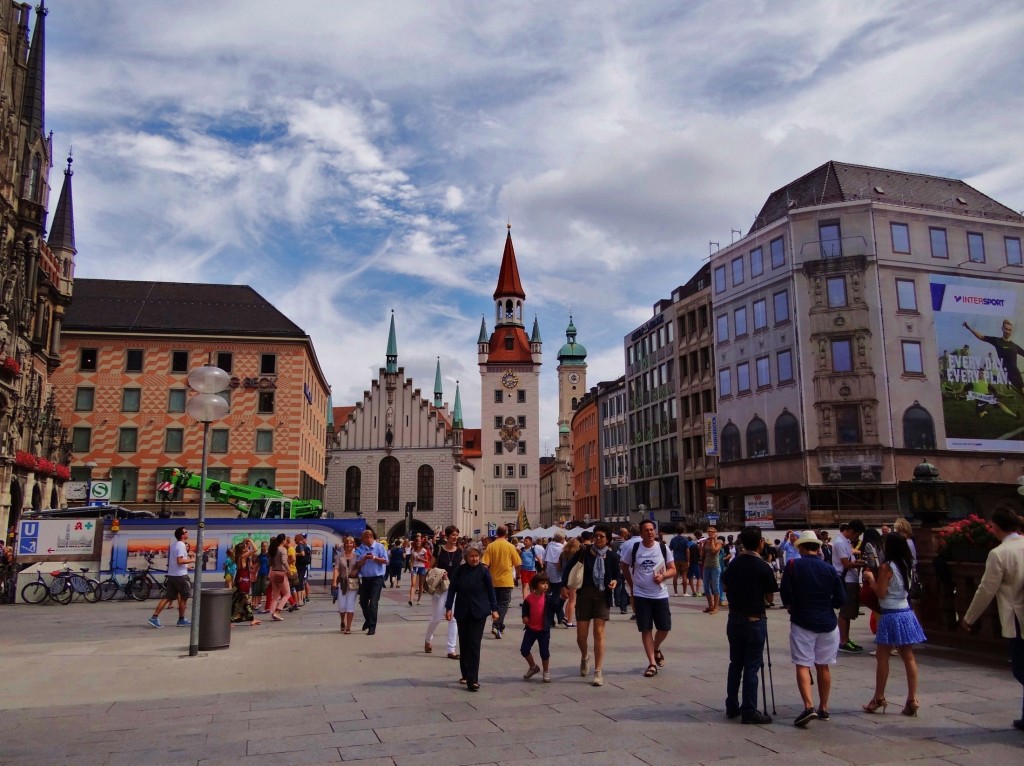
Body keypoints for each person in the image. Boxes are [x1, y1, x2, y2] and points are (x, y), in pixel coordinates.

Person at [961, 508, 1024, 730]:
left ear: (996, 527)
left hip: (1017, 617)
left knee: (1020, 666)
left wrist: (969, 618)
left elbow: (986, 589)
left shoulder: (999, 553)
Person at [779, 531, 845, 727]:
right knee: (823, 666)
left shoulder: (793, 565)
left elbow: (785, 592)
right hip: (828, 622)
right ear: (817, 548)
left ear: (801, 547)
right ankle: (824, 707)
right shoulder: (829, 569)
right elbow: (841, 599)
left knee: (803, 664)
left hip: (802, 619)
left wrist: (791, 605)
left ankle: (809, 706)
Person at [861, 533, 927, 717]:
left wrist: (871, 579)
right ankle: (912, 698)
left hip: (890, 613)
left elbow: (881, 593)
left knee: (882, 656)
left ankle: (879, 697)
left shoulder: (886, 567)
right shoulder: (906, 564)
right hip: (905, 611)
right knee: (908, 657)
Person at [720, 526, 777, 725]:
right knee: (752, 666)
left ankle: (732, 705)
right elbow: (769, 597)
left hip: (734, 617)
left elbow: (725, 586)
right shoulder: (763, 566)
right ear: (760, 543)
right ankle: (749, 710)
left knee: (735, 663)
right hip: (754, 619)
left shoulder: (734, 563)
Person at [562, 523, 619, 686]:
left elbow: (617, 576)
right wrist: (563, 586)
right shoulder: (584, 552)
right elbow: (568, 569)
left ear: (608, 539)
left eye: (602, 536)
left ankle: (598, 671)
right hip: (584, 595)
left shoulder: (612, 557)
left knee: (598, 633)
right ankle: (585, 656)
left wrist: (615, 581)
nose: (598, 538)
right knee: (581, 636)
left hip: (602, 596)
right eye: (596, 536)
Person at [620, 519, 676, 677]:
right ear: (641, 533)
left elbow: (673, 569)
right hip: (641, 595)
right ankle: (652, 663)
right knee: (645, 629)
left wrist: (663, 576)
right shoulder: (634, 548)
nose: (650, 532)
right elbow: (624, 566)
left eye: (652, 530)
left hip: (660, 594)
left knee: (664, 628)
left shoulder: (663, 548)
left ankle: (656, 647)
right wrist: (632, 585)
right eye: (646, 530)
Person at [445, 546, 499, 692]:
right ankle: (465, 673)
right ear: (466, 558)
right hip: (462, 611)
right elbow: (452, 589)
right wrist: (448, 607)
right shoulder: (459, 570)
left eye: (476, 556)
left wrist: (494, 609)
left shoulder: (484, 571)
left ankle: (473, 679)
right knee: (464, 643)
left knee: (474, 644)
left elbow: (491, 591)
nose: (474, 559)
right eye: (471, 556)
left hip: (479, 612)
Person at [425, 526, 462, 659]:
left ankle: (451, 650)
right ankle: (428, 639)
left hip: (454, 588)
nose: (455, 537)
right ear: (447, 536)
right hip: (440, 589)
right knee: (436, 618)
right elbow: (429, 568)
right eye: (453, 535)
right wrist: (441, 573)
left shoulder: (459, 551)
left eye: (457, 535)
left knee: (453, 618)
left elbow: (461, 569)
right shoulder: (439, 549)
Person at [148, 526, 195, 628]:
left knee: (168, 597)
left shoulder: (174, 545)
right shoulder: (181, 545)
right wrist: (193, 560)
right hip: (180, 576)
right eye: (186, 532)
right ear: (182, 535)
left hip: (172, 575)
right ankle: (181, 620)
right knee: (184, 597)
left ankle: (154, 617)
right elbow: (179, 561)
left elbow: (176, 560)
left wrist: (187, 563)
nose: (188, 533)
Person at [964, 319, 1024, 398]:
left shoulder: (1014, 346)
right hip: (1008, 373)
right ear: (1002, 329)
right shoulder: (997, 341)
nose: (1007, 331)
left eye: (1009, 330)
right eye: (1006, 329)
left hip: (1016, 372)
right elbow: (981, 337)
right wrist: (969, 328)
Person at [832, 519, 867, 652]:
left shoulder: (845, 541)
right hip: (846, 579)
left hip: (851, 579)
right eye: (857, 534)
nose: (857, 538)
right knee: (845, 611)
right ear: (851, 531)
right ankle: (843, 641)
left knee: (849, 612)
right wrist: (860, 564)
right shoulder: (840, 542)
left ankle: (846, 638)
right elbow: (846, 564)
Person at [482, 525, 521, 639]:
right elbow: (518, 563)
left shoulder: (491, 546)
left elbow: (485, 565)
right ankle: (497, 625)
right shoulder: (510, 546)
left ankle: (500, 625)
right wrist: (517, 576)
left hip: (493, 581)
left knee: (495, 604)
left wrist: (483, 578)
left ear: (496, 533)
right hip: (506, 581)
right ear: (506, 534)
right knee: (503, 605)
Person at [521, 572, 558, 683]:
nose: (545, 585)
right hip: (531, 629)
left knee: (544, 652)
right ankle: (533, 667)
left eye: (547, 583)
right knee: (524, 650)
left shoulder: (548, 599)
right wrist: (525, 616)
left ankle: (546, 672)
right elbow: (525, 609)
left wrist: (561, 598)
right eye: (542, 583)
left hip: (543, 630)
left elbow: (556, 607)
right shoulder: (529, 599)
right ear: (536, 585)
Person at [355, 528, 388, 635]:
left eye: (363, 538)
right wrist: (364, 559)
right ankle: (368, 619)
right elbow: (358, 564)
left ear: (368, 537)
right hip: (365, 579)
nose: (361, 540)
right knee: (363, 601)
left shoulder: (379, 547)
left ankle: (372, 626)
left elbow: (385, 561)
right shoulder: (363, 549)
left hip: (377, 579)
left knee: (373, 602)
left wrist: (374, 558)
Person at [332, 537, 359, 634]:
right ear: (344, 544)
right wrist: (334, 581)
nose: (349, 545)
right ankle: (342, 621)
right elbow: (336, 569)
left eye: (351, 543)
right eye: (347, 543)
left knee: (350, 604)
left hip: (353, 583)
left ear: (354, 544)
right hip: (342, 582)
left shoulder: (357, 556)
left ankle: (348, 627)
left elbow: (360, 567)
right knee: (342, 606)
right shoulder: (339, 556)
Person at [230, 539, 260, 626]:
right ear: (243, 549)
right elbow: (255, 549)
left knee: (240, 601)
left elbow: (249, 566)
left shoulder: (239, 556)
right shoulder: (243, 556)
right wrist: (250, 540)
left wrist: (246, 544)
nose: (248, 547)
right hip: (243, 581)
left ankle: (250, 619)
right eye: (246, 547)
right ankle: (231, 620)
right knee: (245, 600)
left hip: (240, 580)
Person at [544, 532, 567, 624]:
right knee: (556, 597)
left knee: (552, 596)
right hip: (558, 575)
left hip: (549, 573)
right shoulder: (563, 548)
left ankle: (560, 617)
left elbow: (545, 558)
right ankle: (551, 618)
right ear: (562, 539)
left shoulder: (550, 545)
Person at [267, 533, 291, 621]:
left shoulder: (273, 549)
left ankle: (272, 612)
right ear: (283, 540)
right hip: (280, 573)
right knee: (287, 594)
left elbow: (269, 563)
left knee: (275, 595)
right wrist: (289, 570)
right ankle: (277, 611)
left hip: (273, 573)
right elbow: (284, 561)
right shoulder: (283, 550)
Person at [559, 537, 581, 627]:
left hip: (564, 576)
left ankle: (566, 616)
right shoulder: (577, 554)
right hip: (573, 578)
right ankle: (569, 621)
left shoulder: (563, 554)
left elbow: (559, 566)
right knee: (572, 600)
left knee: (569, 599)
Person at [702, 527, 723, 614]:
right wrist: (701, 546)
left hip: (715, 566)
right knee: (706, 587)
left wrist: (713, 540)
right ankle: (710, 606)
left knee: (715, 586)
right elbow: (702, 554)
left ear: (715, 533)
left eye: (712, 532)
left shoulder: (719, 542)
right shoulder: (706, 542)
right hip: (706, 566)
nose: (710, 533)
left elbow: (714, 550)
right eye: (708, 532)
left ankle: (715, 607)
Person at [670, 525, 690, 596]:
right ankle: (684, 592)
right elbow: (687, 551)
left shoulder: (673, 539)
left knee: (675, 576)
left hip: (675, 559)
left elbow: (670, 549)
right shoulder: (685, 539)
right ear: (683, 531)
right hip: (683, 559)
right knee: (684, 575)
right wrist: (688, 560)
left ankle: (675, 592)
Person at [408, 535, 428, 606]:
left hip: (421, 568)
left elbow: (426, 560)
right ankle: (411, 600)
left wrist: (420, 559)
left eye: (419, 541)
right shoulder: (413, 550)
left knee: (420, 584)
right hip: (414, 568)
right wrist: (411, 568)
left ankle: (419, 600)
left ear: (421, 542)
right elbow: (411, 560)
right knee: (413, 584)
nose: (418, 542)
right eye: (417, 541)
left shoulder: (424, 550)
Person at [294, 533, 311, 606]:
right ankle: (301, 599)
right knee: (301, 583)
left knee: (299, 583)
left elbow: (302, 554)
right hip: (303, 566)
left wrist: (295, 554)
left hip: (300, 567)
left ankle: (299, 600)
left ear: (298, 539)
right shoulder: (304, 546)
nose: (294, 540)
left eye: (295, 539)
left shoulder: (300, 546)